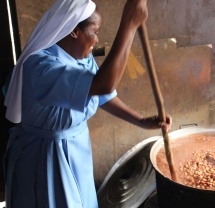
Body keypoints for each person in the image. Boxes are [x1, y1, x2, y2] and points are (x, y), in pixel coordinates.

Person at [3, 0, 172, 207]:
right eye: (95, 32)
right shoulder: (40, 67)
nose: (97, 40)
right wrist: (128, 24)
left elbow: (102, 95)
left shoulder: (81, 56)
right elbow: (103, 85)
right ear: (74, 31)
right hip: (47, 156)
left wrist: (142, 121)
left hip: (76, 148)